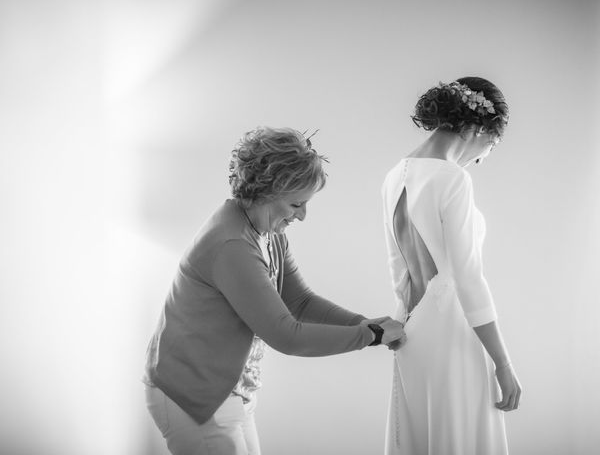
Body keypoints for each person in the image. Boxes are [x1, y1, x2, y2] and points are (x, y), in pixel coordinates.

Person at [144, 126, 406, 455]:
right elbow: (287, 335)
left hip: (227, 391)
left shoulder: (267, 230)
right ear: (268, 191)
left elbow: (299, 301)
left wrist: (364, 323)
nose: (303, 215)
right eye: (297, 204)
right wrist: (371, 335)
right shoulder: (232, 245)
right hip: (193, 394)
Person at [381, 77, 522, 455]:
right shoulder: (453, 178)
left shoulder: (395, 175)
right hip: (453, 332)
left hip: (411, 329)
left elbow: (400, 272)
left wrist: (400, 321)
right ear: (477, 128)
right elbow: (468, 279)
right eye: (488, 146)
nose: (480, 158)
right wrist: (503, 364)